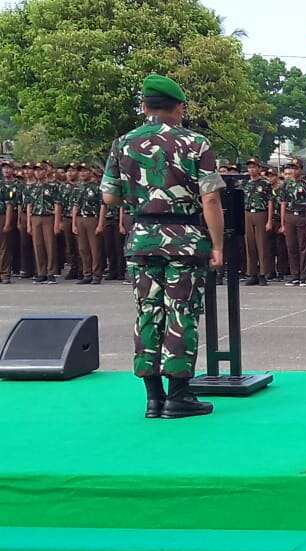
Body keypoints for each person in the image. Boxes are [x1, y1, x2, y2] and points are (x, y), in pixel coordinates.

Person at [100, 74, 225, 419]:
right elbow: (211, 197)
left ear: (144, 107)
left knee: (147, 312)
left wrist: (141, 198)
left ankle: (153, 397)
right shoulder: (195, 142)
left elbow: (109, 195)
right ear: (179, 107)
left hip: (141, 240)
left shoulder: (122, 143)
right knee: (181, 312)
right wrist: (217, 245)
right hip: (184, 241)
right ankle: (179, 395)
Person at [277, 162, 306, 287]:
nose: (293, 171)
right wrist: (282, 223)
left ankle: (303, 276)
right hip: (289, 215)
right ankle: (294, 275)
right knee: (291, 246)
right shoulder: (286, 184)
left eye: (296, 168)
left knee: (303, 247)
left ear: (301, 169)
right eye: (291, 168)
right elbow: (282, 203)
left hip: (302, 215)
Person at [26, 162, 61, 284]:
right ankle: (41, 272)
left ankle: (51, 272)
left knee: (50, 245)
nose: (37, 172)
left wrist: (57, 223)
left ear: (45, 172)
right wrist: (29, 224)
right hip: (35, 217)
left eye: (40, 170)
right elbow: (29, 205)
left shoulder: (52, 187)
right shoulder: (31, 187)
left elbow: (57, 205)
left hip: (48, 217)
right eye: (36, 170)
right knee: (38, 245)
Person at [241, 158, 273, 286]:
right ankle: (252, 273)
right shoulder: (245, 183)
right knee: (250, 245)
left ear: (259, 168)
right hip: (248, 213)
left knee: (262, 245)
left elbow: (270, 201)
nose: (251, 169)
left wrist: (269, 220)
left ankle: (263, 274)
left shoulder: (265, 183)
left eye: (254, 167)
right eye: (249, 167)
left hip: (261, 213)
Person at [71, 164, 105, 285]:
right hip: (80, 219)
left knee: (95, 249)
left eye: (85, 171)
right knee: (83, 248)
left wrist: (100, 224)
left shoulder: (97, 188)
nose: (83, 174)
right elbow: (75, 206)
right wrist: (73, 224)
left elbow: (102, 206)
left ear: (90, 173)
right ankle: (87, 274)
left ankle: (97, 274)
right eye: (81, 171)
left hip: (92, 219)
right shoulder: (77, 188)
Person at [59, 164, 81, 280]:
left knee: (81, 245)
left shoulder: (81, 186)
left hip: (80, 218)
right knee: (69, 246)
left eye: (72, 171)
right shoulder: (63, 187)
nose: (70, 173)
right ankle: (73, 268)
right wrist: (60, 221)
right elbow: (59, 205)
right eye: (68, 171)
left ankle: (82, 269)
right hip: (67, 218)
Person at [1, 161, 18, 284]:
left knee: (4, 247)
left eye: (8, 168)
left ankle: (4, 273)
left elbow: (9, 205)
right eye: (4, 168)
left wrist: (7, 223)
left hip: (2, 216)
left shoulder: (8, 186)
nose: (6, 170)